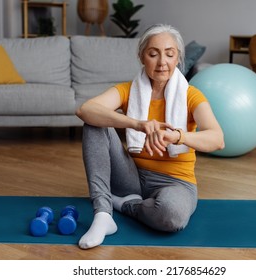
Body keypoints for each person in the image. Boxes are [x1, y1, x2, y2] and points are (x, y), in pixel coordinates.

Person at [75, 24, 224, 249]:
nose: (162, 61)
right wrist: (137, 124)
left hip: (177, 183)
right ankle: (103, 214)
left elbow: (217, 139)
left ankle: (126, 206)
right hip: (132, 177)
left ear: (178, 59)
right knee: (94, 123)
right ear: (141, 57)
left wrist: (177, 136)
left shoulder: (191, 96)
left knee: (171, 216)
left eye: (169, 54)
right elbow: (85, 109)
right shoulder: (128, 90)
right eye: (153, 54)